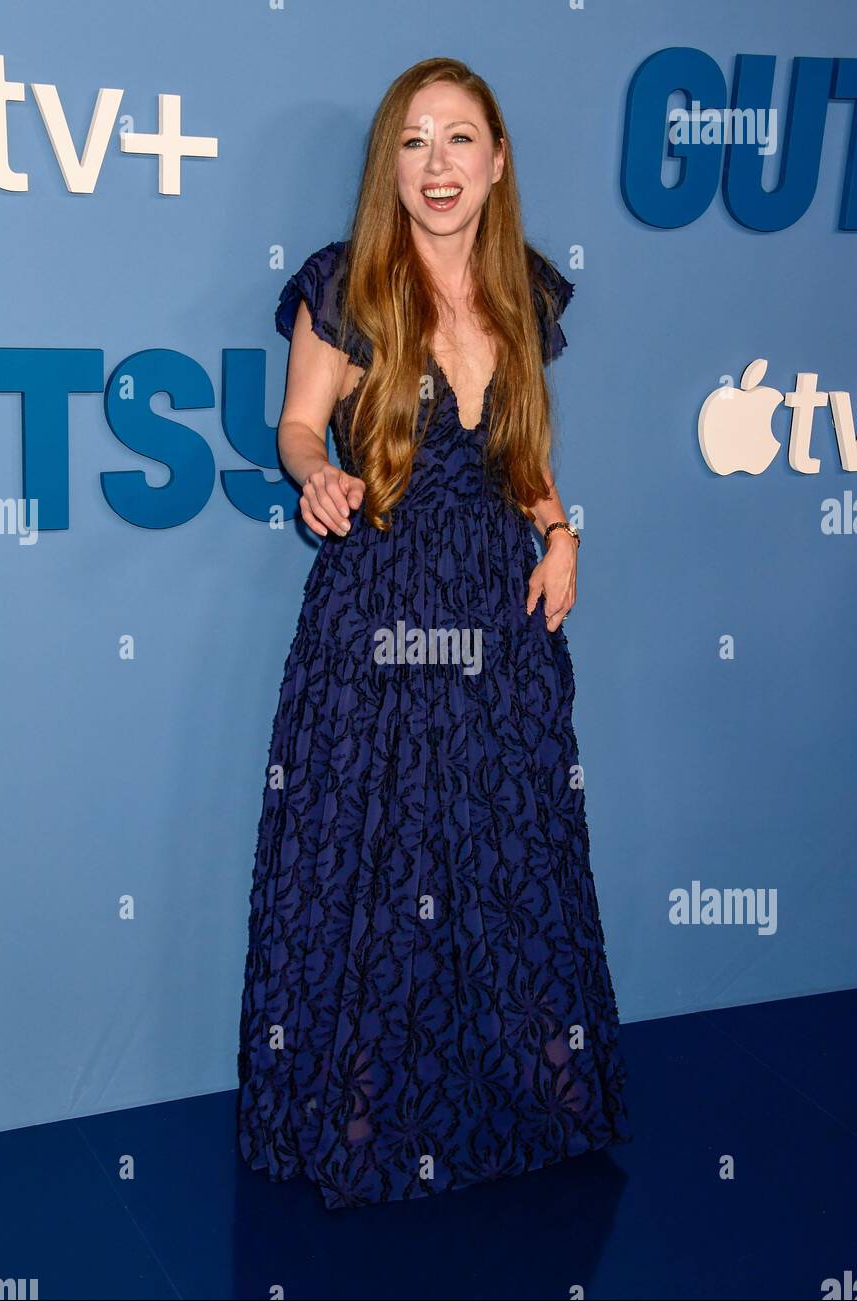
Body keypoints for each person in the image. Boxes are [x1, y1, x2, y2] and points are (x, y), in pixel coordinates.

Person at [236, 56, 632, 1210]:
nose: (437, 164)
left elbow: (522, 460)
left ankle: (522, 1099)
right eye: (413, 142)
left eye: (459, 139)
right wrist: (316, 481)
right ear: (388, 167)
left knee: (502, 855)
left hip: (498, 616)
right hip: (378, 609)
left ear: (496, 161)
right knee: (377, 861)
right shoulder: (347, 284)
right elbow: (299, 428)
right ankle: (360, 1113)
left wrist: (559, 532)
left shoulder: (524, 296)